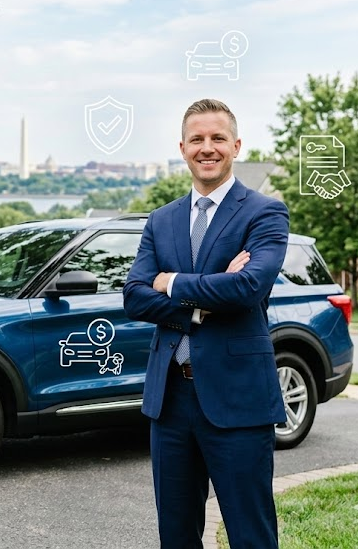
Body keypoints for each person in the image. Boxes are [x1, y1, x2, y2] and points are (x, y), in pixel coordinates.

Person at [123, 98, 289, 548]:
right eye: (197, 139)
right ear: (182, 147)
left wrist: (170, 281)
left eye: (217, 138)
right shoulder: (161, 220)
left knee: (250, 535)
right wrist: (201, 303)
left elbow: (248, 288)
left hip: (238, 400)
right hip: (170, 400)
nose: (207, 148)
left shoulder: (264, 212)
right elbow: (134, 296)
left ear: (236, 145)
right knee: (175, 536)